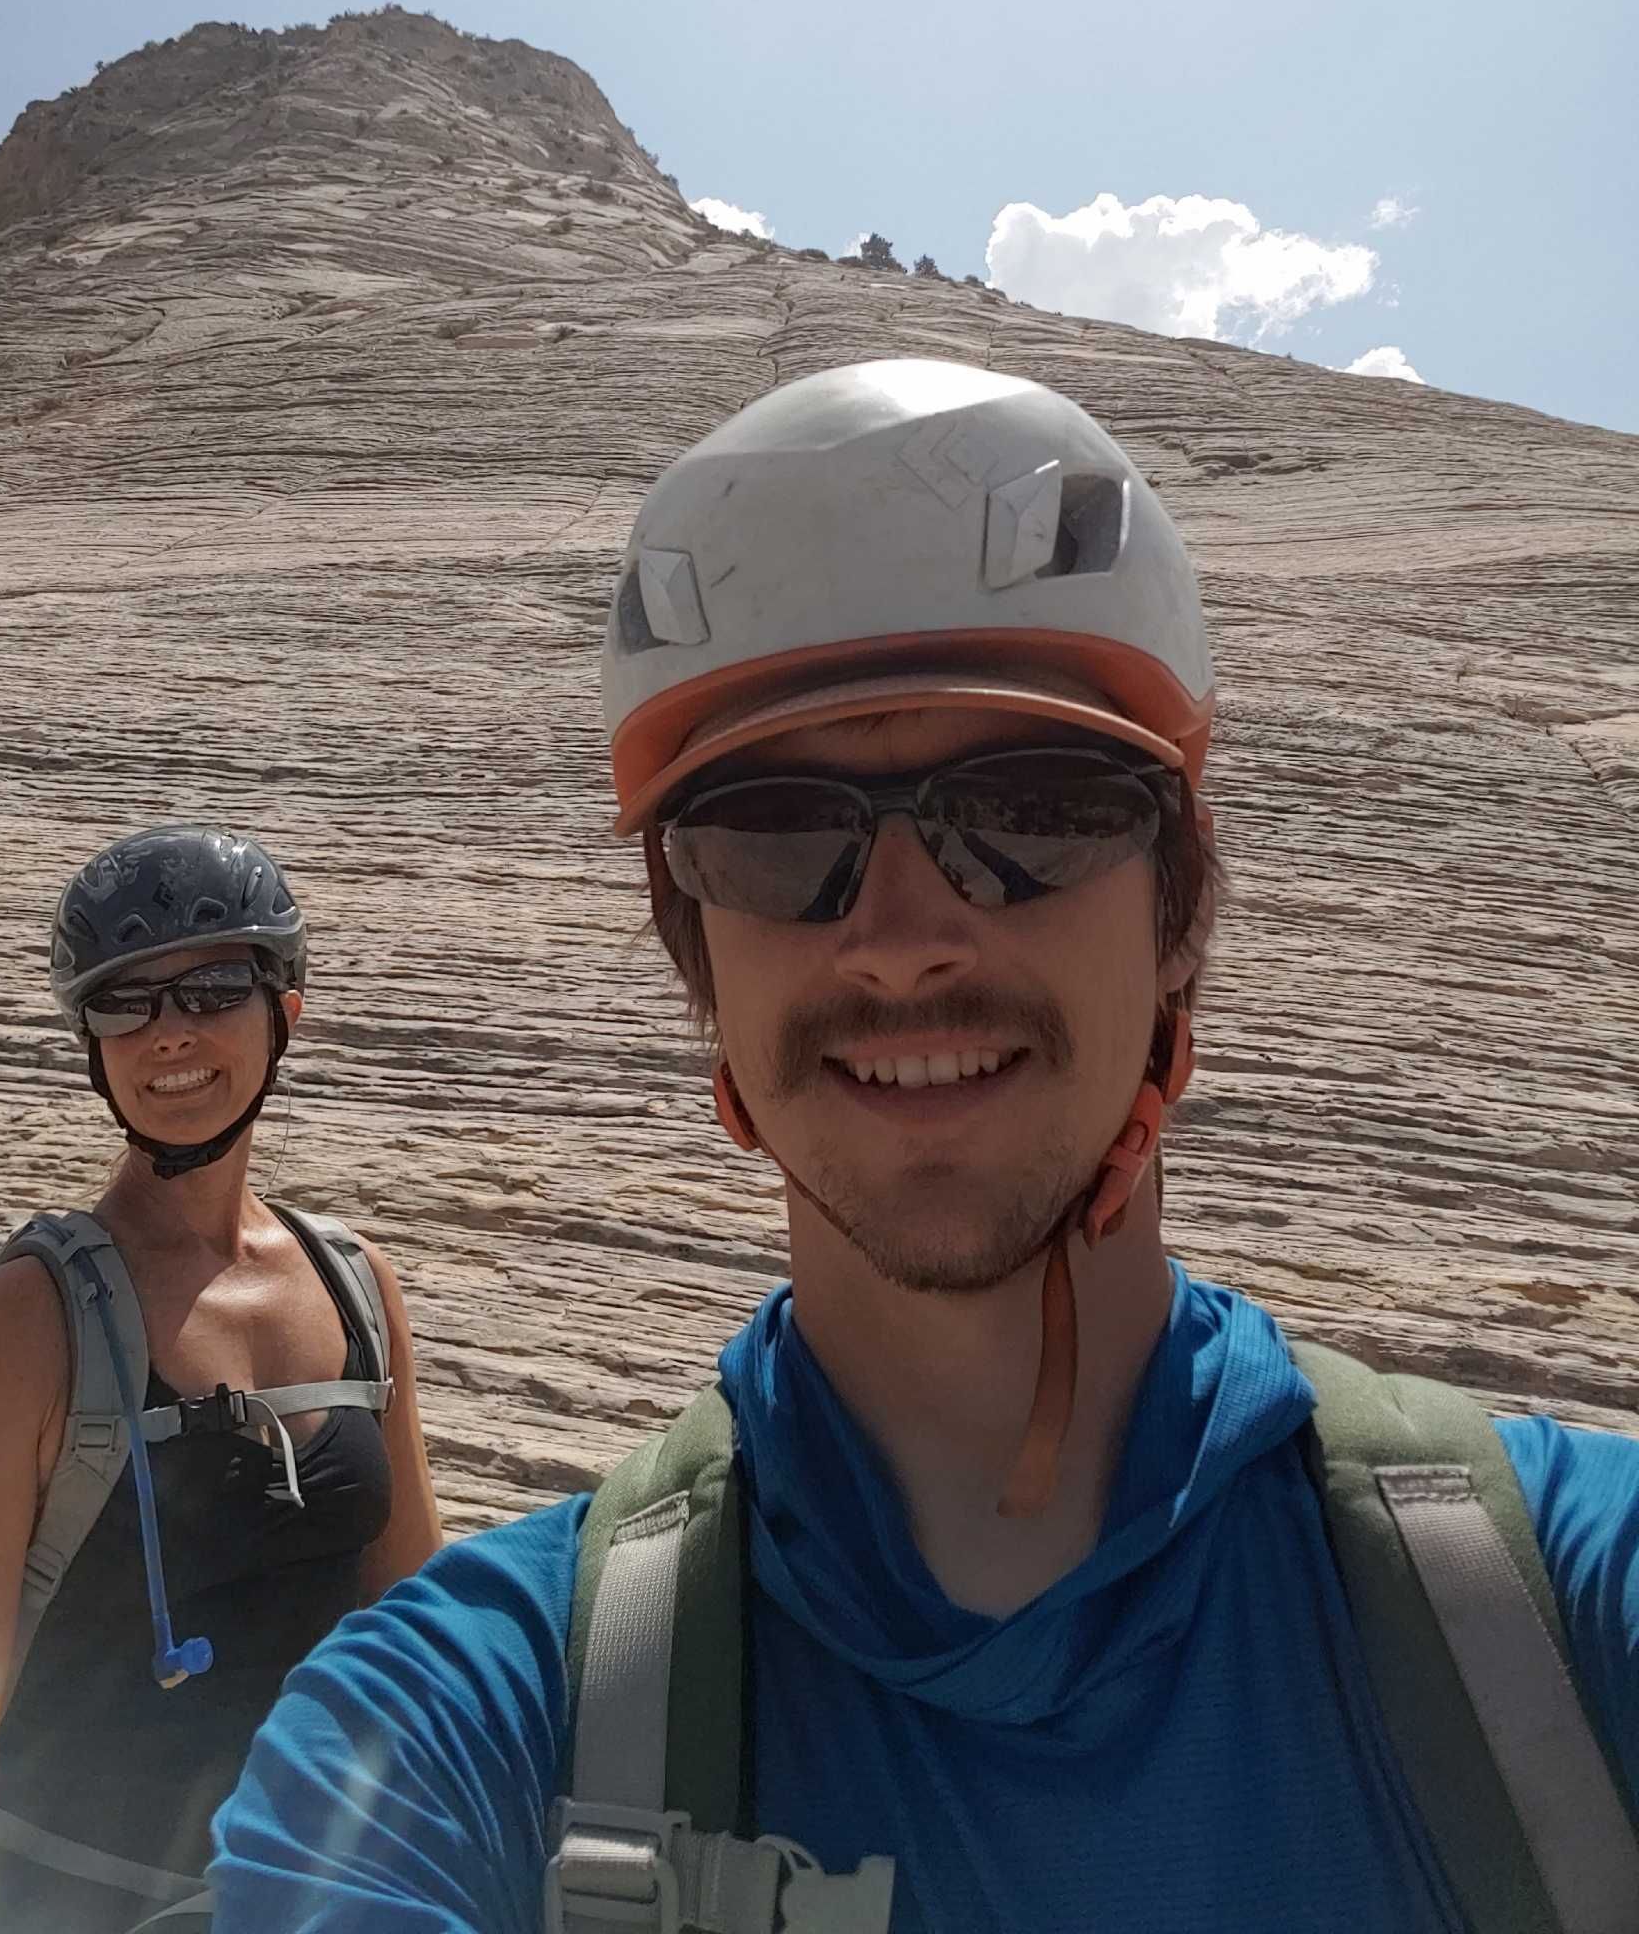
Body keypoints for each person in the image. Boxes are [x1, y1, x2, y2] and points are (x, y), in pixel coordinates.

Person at [206, 362, 1639, 1933]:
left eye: (1032, 805)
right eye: (775, 832)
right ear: (703, 963)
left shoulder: (1564, 1603)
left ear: (1179, 917)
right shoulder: (467, 1715)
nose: (899, 942)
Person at [0, 823, 442, 1934]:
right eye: (124, 1000)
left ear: (289, 1011)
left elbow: (414, 1637)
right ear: (90, 1040)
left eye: (213, 987)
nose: (168, 1031)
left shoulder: (356, 1287)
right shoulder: (28, 1324)